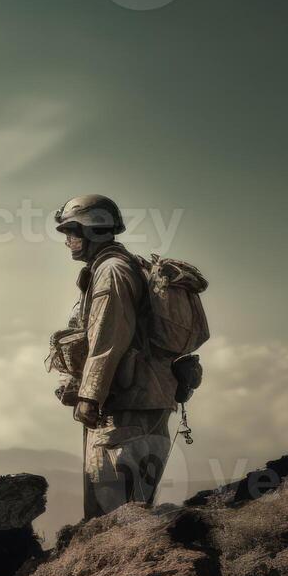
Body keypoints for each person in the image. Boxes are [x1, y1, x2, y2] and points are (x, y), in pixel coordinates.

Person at [53, 194, 176, 519]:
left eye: (71, 232)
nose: (68, 242)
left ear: (90, 230)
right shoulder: (125, 266)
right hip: (143, 407)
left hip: (124, 413)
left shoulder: (111, 272)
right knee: (131, 512)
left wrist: (89, 396)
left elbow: (107, 339)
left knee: (113, 515)